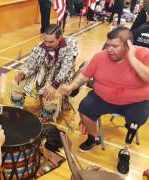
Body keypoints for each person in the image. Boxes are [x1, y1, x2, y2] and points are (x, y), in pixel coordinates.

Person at [59, 26, 149, 174]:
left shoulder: (144, 54)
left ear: (128, 46)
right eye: (108, 44)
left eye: (114, 46)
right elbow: (84, 76)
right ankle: (94, 137)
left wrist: (132, 58)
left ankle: (125, 152)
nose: (109, 49)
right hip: (103, 98)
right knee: (85, 108)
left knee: (138, 117)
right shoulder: (100, 57)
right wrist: (70, 87)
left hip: (135, 101)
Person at [15, 24, 78, 121]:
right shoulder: (40, 47)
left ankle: (48, 114)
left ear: (60, 38)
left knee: (51, 93)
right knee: (18, 84)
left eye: (51, 42)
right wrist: (23, 74)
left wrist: (54, 85)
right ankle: (18, 107)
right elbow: (31, 64)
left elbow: (66, 68)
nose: (47, 45)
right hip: (46, 74)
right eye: (45, 41)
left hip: (64, 77)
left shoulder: (71, 44)